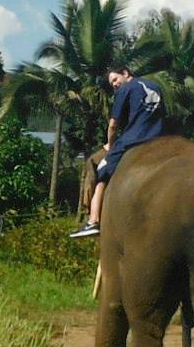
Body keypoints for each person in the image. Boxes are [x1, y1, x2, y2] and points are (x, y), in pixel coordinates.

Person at [70, 63, 166, 239]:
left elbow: (113, 124)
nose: (114, 84)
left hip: (133, 140)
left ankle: (93, 221)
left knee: (101, 171)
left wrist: (110, 144)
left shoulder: (127, 88)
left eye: (115, 79)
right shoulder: (156, 87)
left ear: (125, 73)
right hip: (159, 140)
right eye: (112, 82)